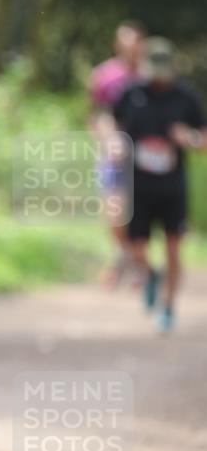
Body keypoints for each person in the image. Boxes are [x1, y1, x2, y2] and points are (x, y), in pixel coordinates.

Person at [113, 37, 207, 332]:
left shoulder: (186, 98)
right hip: (138, 185)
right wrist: (114, 142)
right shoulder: (130, 94)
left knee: (174, 248)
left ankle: (168, 309)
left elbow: (202, 139)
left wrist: (189, 139)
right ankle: (151, 274)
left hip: (172, 186)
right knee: (136, 248)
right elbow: (111, 124)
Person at [88, 20, 146, 286]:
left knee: (143, 209)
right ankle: (124, 254)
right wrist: (107, 141)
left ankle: (136, 260)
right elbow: (96, 114)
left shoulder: (149, 77)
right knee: (114, 207)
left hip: (145, 153)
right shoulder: (104, 76)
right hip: (114, 151)